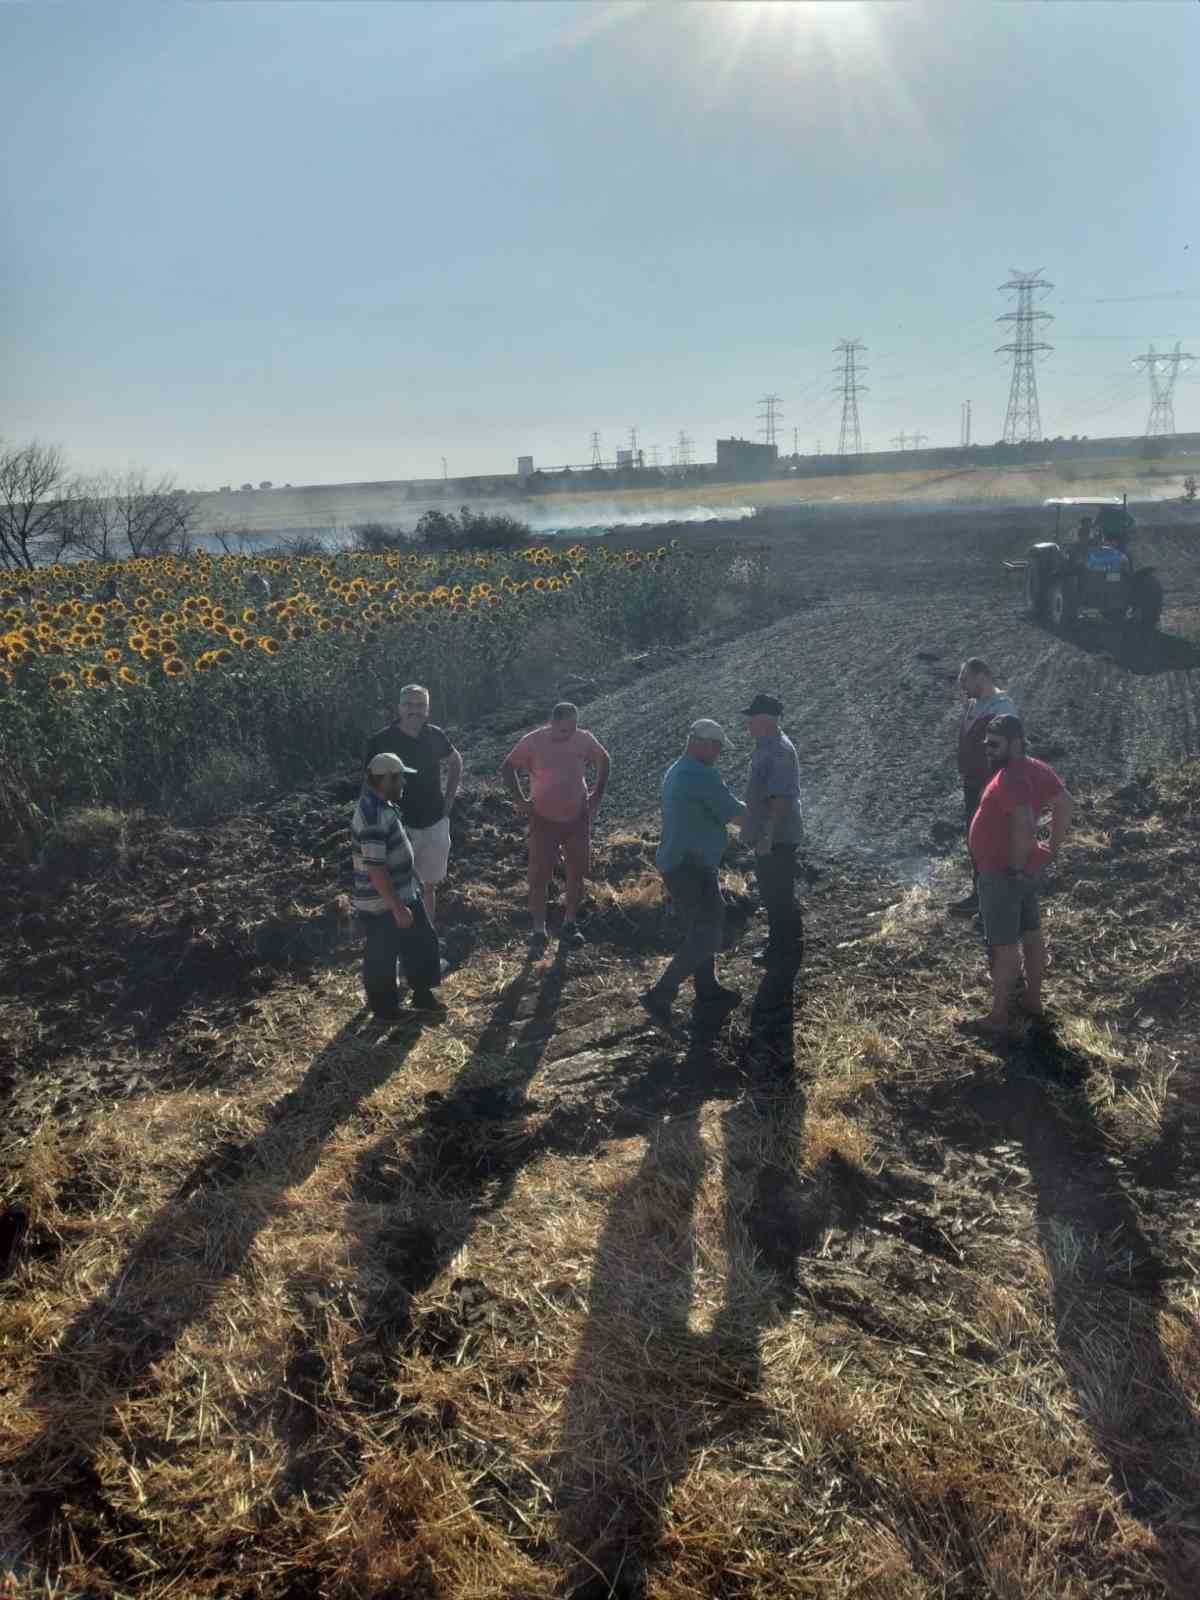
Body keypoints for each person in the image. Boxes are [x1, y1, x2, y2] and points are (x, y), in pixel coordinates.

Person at [965, 714, 1073, 1042]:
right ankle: (1032, 1001)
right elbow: (1065, 803)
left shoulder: (1010, 777)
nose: (988, 750)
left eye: (994, 744)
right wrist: (1049, 850)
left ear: (1015, 743)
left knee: (1005, 946)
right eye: (986, 744)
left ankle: (999, 1017)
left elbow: (1024, 822)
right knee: (1031, 934)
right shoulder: (1037, 768)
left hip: (1003, 875)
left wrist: (1013, 866)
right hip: (1025, 871)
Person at [639, 719, 746, 1030]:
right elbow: (733, 813)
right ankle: (660, 993)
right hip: (689, 865)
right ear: (700, 742)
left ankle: (707, 988)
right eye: (715, 747)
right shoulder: (698, 774)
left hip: (687, 861)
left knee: (705, 923)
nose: (718, 753)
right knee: (707, 932)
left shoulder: (679, 769)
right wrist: (765, 820)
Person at [501, 701, 610, 956]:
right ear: (552, 724)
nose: (568, 734)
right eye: (563, 730)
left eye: (572, 729)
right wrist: (520, 800)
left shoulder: (584, 739)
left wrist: (597, 795)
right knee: (539, 875)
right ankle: (538, 931)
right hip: (543, 818)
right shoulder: (533, 741)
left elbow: (604, 760)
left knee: (576, 871)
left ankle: (570, 923)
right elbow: (508, 767)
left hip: (577, 817)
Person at [350, 752, 444, 1019]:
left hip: (403, 891)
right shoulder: (372, 817)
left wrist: (414, 877)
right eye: (400, 778)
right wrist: (397, 908)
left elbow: (396, 851)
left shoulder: (385, 806)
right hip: (381, 901)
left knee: (423, 940)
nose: (404, 783)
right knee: (382, 955)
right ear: (387, 779)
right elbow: (376, 869)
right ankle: (385, 1010)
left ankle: (422, 994)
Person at [363, 684, 463, 927]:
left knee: (429, 885)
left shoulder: (435, 735)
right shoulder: (381, 741)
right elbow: (369, 784)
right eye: (409, 705)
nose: (414, 710)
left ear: (428, 709)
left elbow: (455, 760)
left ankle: (427, 936)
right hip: (399, 824)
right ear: (399, 708)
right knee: (399, 887)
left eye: (420, 705)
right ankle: (402, 939)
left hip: (434, 820)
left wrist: (449, 799)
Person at [739, 692, 804, 976]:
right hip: (772, 834)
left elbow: (780, 800)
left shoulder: (779, 750)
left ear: (764, 720)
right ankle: (782, 941)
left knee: (778, 892)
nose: (747, 724)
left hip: (778, 836)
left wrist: (766, 836)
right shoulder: (766, 745)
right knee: (773, 891)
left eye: (751, 718)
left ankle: (784, 948)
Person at [948, 658, 1017, 918]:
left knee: (989, 841)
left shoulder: (1002, 708)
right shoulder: (974, 705)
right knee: (976, 839)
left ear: (982, 677)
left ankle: (993, 900)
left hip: (990, 787)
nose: (962, 685)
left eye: (965, 679)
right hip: (973, 784)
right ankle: (980, 895)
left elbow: (1008, 751)